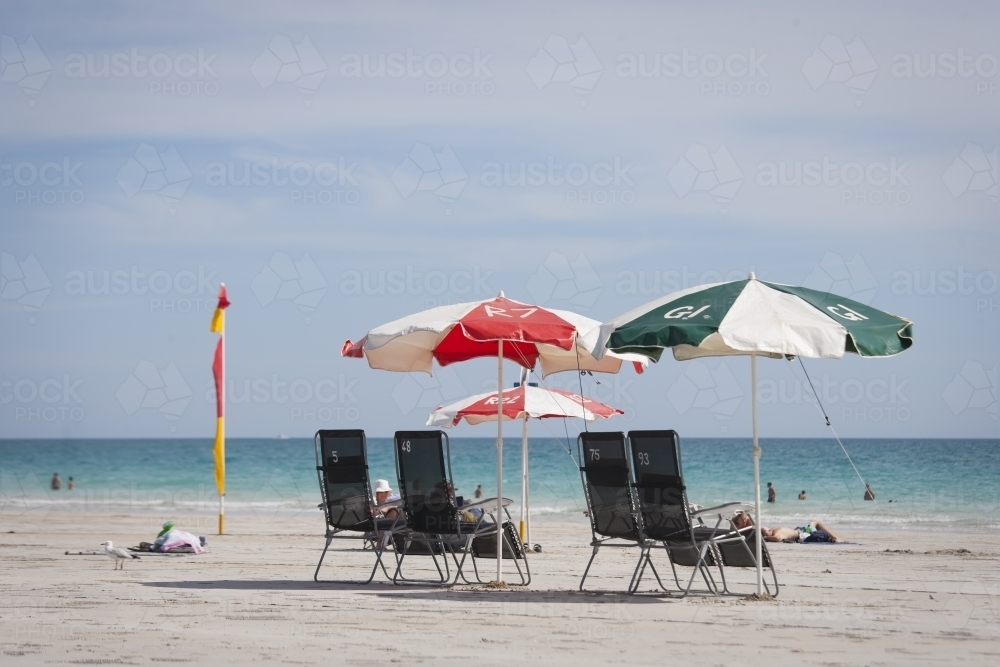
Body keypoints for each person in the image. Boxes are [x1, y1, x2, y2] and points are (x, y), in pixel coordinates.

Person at [733, 512, 840, 543]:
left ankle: (835, 537)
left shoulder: (772, 532)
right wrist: (765, 537)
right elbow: (778, 539)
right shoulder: (776, 534)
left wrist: (743, 519)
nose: (767, 529)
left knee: (815, 522)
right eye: (765, 531)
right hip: (805, 534)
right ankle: (835, 538)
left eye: (766, 529)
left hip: (800, 529)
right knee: (815, 523)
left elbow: (752, 527)